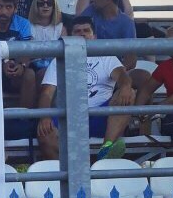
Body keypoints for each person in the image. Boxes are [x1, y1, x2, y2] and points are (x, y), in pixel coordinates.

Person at [37, 16, 135, 160]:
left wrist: (126, 86)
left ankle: (106, 149)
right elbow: (46, 93)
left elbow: (122, 76)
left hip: (101, 117)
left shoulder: (106, 57)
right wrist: (44, 117)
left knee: (129, 93)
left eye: (86, 31)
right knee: (45, 134)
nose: (82, 34)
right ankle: (70, 170)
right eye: (77, 31)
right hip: (69, 118)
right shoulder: (59, 61)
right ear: (69, 37)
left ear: (94, 36)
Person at [83, 0, 137, 69]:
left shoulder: (126, 23)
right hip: (88, 67)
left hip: (114, 70)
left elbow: (131, 59)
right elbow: (76, 28)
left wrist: (116, 74)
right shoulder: (91, 9)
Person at [28, 0, 66, 83]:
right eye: (41, 3)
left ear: (54, 6)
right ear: (36, 6)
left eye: (49, 3)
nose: (45, 6)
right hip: (33, 66)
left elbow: (64, 53)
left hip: (55, 65)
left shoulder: (61, 28)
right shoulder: (28, 27)